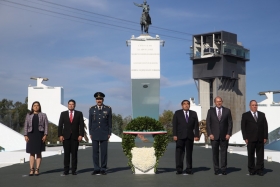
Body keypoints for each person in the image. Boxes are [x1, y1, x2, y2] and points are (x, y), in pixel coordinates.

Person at [206, 96, 233, 175]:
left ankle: (224, 169)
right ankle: (216, 169)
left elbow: (230, 123)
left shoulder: (227, 111)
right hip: (214, 136)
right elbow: (208, 123)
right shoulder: (210, 111)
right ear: (214, 102)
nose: (219, 102)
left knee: (224, 153)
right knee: (215, 153)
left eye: (220, 101)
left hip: (224, 136)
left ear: (222, 101)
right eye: (217, 101)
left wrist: (229, 133)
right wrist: (210, 133)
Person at [241, 100, 268, 176]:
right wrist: (245, 138)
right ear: (250, 106)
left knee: (260, 155)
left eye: (255, 105)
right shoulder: (245, 115)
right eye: (253, 105)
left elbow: (265, 126)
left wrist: (265, 137)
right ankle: (252, 169)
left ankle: (259, 169)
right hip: (250, 138)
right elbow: (243, 127)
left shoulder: (262, 115)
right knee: (251, 155)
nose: (254, 106)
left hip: (260, 138)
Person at [173, 100, 200, 175]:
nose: (186, 105)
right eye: (184, 104)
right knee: (179, 153)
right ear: (182, 105)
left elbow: (196, 126)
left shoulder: (193, 114)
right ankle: (179, 169)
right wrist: (175, 135)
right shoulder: (177, 113)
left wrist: (196, 135)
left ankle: (189, 169)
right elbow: (174, 125)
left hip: (190, 136)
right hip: (179, 136)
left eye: (188, 104)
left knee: (189, 153)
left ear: (189, 105)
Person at [58, 99, 84, 175]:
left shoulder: (79, 114)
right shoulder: (63, 114)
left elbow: (81, 125)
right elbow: (60, 125)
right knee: (66, 154)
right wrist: (60, 135)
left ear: (75, 105)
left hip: (75, 137)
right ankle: (66, 170)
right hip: (66, 137)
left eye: (72, 104)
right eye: (70, 104)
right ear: (67, 105)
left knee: (74, 154)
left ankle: (74, 170)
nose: (71, 105)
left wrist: (81, 135)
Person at [89, 92, 112, 175]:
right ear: (95, 100)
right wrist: (90, 132)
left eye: (100, 99)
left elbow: (110, 122)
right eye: (97, 99)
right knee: (95, 152)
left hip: (104, 133)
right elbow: (90, 123)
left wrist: (109, 133)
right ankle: (96, 168)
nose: (99, 100)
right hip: (95, 133)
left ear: (103, 100)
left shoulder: (108, 109)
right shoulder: (92, 109)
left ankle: (103, 168)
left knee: (104, 152)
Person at [24, 101, 48, 176]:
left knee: (38, 153)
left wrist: (45, 135)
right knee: (31, 153)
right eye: (34, 105)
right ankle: (31, 169)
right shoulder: (28, 115)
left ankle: (37, 169)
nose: (36, 107)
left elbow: (46, 125)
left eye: (37, 105)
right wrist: (25, 135)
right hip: (31, 135)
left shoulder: (43, 115)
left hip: (40, 135)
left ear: (39, 107)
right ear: (32, 107)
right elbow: (26, 125)